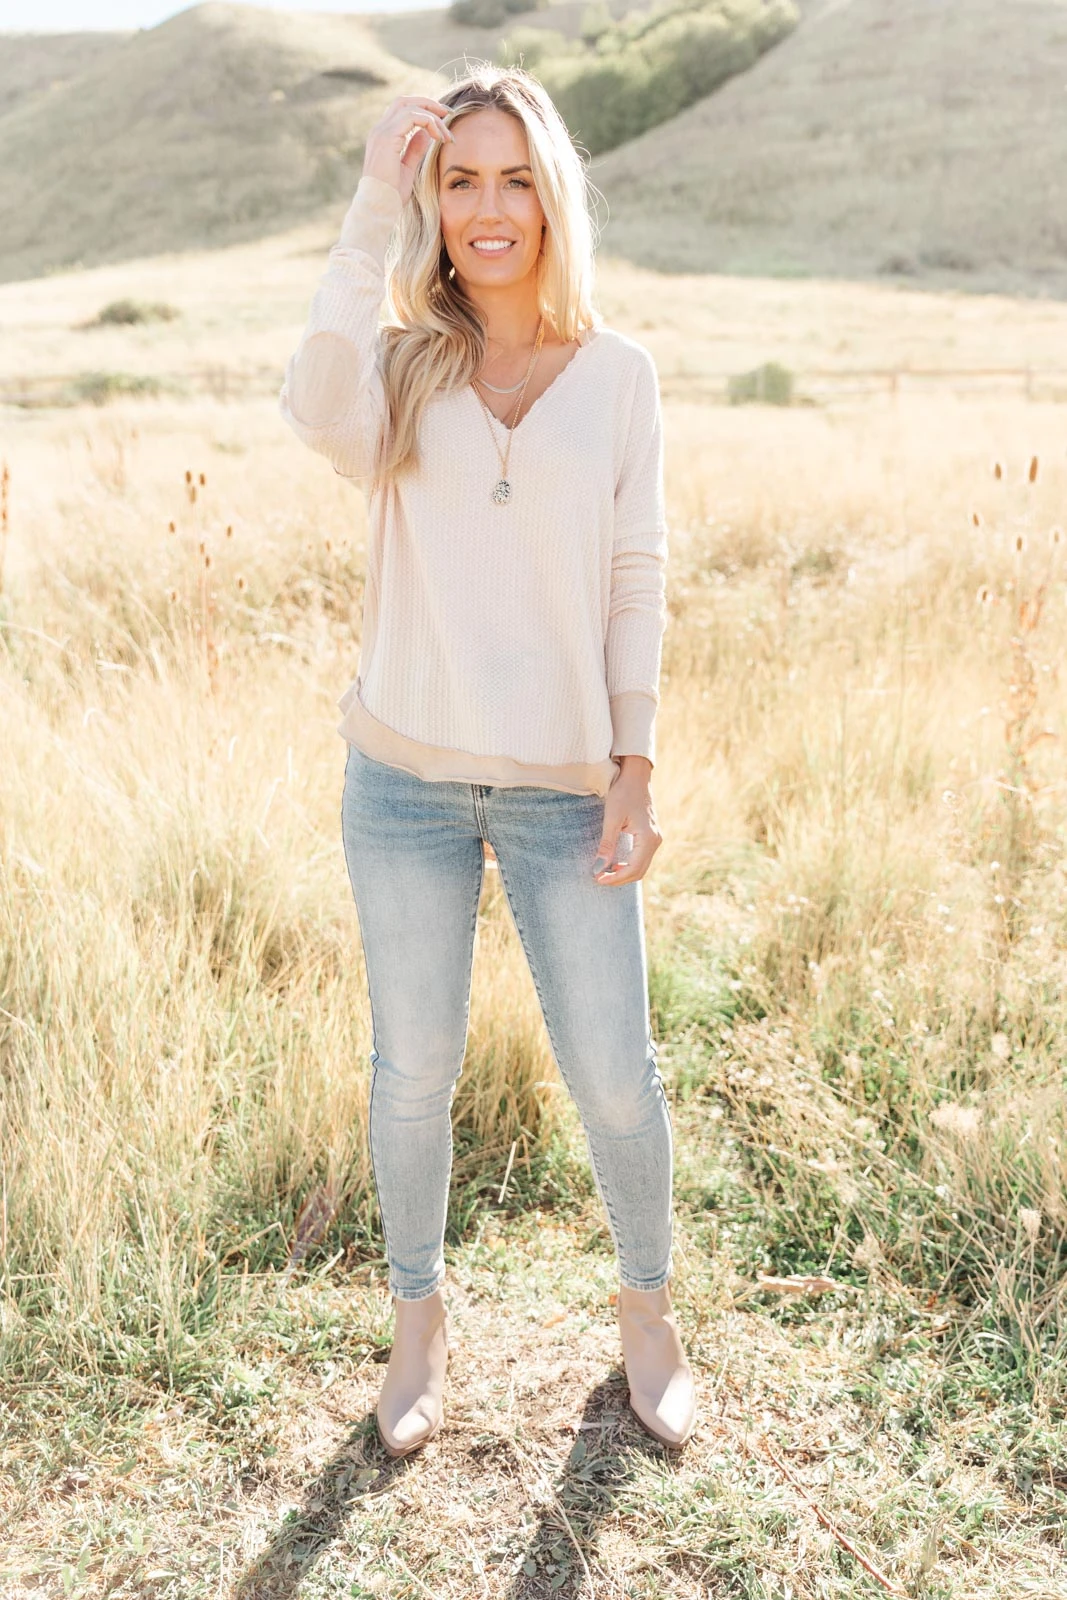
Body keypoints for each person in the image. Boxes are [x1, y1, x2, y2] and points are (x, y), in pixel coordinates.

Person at [279, 64, 697, 1458]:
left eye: (516, 177)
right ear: (434, 204)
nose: (489, 208)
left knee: (616, 1075)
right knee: (412, 1071)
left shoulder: (620, 376)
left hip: (566, 789)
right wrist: (366, 202)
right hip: (401, 781)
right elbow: (311, 404)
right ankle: (418, 1323)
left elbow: (636, 570)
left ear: (553, 194)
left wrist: (634, 758)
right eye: (460, 180)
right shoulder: (403, 366)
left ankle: (647, 1316)